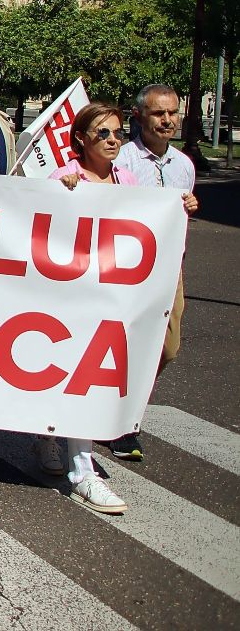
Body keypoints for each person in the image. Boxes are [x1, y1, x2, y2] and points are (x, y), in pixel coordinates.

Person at [42, 101, 133, 514]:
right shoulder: (64, 177)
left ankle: (64, 453)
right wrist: (61, 195)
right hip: (69, 297)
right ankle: (73, 462)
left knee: (88, 377)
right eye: (104, 134)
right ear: (81, 138)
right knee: (71, 372)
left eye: (119, 133)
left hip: (111, 297)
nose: (113, 140)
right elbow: (37, 222)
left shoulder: (129, 181)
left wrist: (179, 209)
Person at [111, 83, 200, 462]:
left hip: (168, 268)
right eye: (158, 113)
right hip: (126, 270)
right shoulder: (122, 161)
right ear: (139, 117)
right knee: (120, 344)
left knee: (167, 346)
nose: (167, 120)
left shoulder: (184, 166)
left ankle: (128, 403)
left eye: (172, 113)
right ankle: (122, 421)